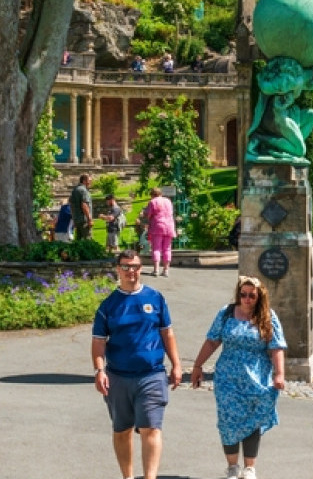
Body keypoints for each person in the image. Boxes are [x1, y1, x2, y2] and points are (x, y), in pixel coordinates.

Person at [93, 251, 182, 479]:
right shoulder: (108, 305)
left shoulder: (155, 298)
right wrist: (100, 370)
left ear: (141, 268)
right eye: (125, 267)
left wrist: (176, 364)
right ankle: (128, 476)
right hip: (118, 376)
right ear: (118, 269)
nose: (130, 271)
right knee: (122, 430)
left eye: (134, 266)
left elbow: (167, 333)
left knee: (151, 428)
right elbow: (98, 342)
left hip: (152, 374)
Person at [190, 276, 288, 479]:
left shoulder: (267, 316)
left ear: (259, 297)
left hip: (257, 378)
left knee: (252, 420)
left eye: (252, 295)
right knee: (228, 421)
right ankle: (233, 467)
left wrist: (279, 374)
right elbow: (212, 341)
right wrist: (198, 366)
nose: (247, 299)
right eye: (243, 295)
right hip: (227, 378)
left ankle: (250, 467)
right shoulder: (226, 313)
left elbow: (276, 347)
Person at [141, 188, 177, 277]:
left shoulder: (153, 201)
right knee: (167, 248)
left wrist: (144, 213)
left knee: (156, 248)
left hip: (157, 226)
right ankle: (166, 270)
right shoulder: (168, 201)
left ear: (152, 195)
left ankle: (156, 270)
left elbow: (148, 214)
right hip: (169, 226)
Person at [70, 174, 94, 241]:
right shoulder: (84, 190)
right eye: (89, 180)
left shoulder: (75, 190)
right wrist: (89, 219)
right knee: (88, 241)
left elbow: (71, 204)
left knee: (79, 241)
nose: (90, 182)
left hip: (77, 220)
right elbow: (84, 205)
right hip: (84, 220)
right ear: (84, 181)